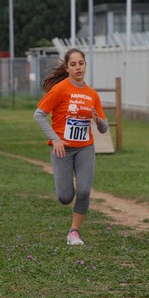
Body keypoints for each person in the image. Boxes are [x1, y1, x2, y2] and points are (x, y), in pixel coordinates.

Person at [34, 49, 108, 246]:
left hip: (85, 148)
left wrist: (99, 120)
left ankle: (74, 232)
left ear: (85, 65)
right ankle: (65, 188)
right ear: (67, 68)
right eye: (73, 64)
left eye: (81, 63)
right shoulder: (60, 89)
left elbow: (103, 128)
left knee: (84, 191)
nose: (78, 67)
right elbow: (39, 114)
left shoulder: (92, 94)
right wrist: (55, 139)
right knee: (65, 196)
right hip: (62, 150)